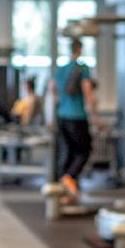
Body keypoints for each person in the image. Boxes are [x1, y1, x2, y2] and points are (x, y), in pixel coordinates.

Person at [51, 38, 101, 201]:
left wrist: (60, 104)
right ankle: (69, 177)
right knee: (84, 151)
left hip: (62, 116)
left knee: (68, 153)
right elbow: (88, 92)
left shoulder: (60, 69)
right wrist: (96, 117)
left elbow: (53, 89)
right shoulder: (82, 68)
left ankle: (67, 193)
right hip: (77, 115)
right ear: (79, 49)